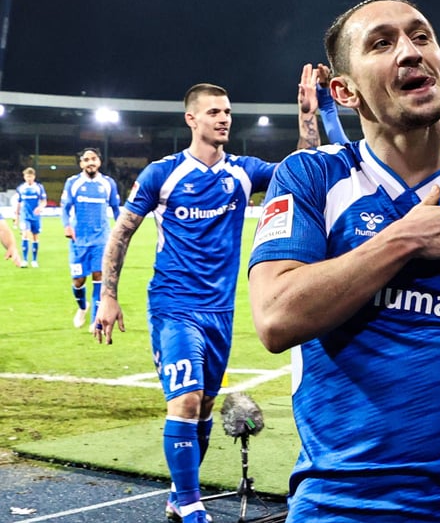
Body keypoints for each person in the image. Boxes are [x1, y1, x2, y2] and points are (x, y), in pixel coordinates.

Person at [248, 0, 440, 522]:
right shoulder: (312, 179)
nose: (411, 52)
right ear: (344, 91)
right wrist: (405, 239)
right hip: (340, 506)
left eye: (421, 37)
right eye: (382, 43)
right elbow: (276, 316)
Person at [93, 83, 318, 523]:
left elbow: (303, 169)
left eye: (228, 111)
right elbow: (121, 232)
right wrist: (108, 296)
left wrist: (307, 118)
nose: (224, 118)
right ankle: (193, 505)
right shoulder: (164, 173)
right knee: (187, 401)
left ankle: (180, 495)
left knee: (206, 409)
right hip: (173, 305)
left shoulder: (243, 172)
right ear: (191, 119)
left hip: (220, 311)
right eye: (214, 111)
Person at [60, 149, 120, 328]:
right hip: (78, 241)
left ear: (99, 162)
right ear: (81, 164)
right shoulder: (73, 182)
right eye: (86, 160)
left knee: (99, 277)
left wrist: (120, 231)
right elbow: (64, 208)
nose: (90, 162)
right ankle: (82, 306)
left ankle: (96, 320)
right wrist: (67, 226)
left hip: (101, 240)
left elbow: (117, 209)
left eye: (93, 159)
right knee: (78, 280)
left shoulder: (108, 183)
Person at [15, 167, 47, 268]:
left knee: (35, 237)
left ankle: (34, 260)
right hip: (25, 216)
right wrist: (17, 216)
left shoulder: (39, 187)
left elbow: (44, 201)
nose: (29, 178)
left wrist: (40, 207)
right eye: (27, 176)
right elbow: (19, 203)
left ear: (34, 177)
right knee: (24, 234)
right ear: (24, 177)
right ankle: (24, 260)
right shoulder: (21, 188)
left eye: (31, 176)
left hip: (35, 216)